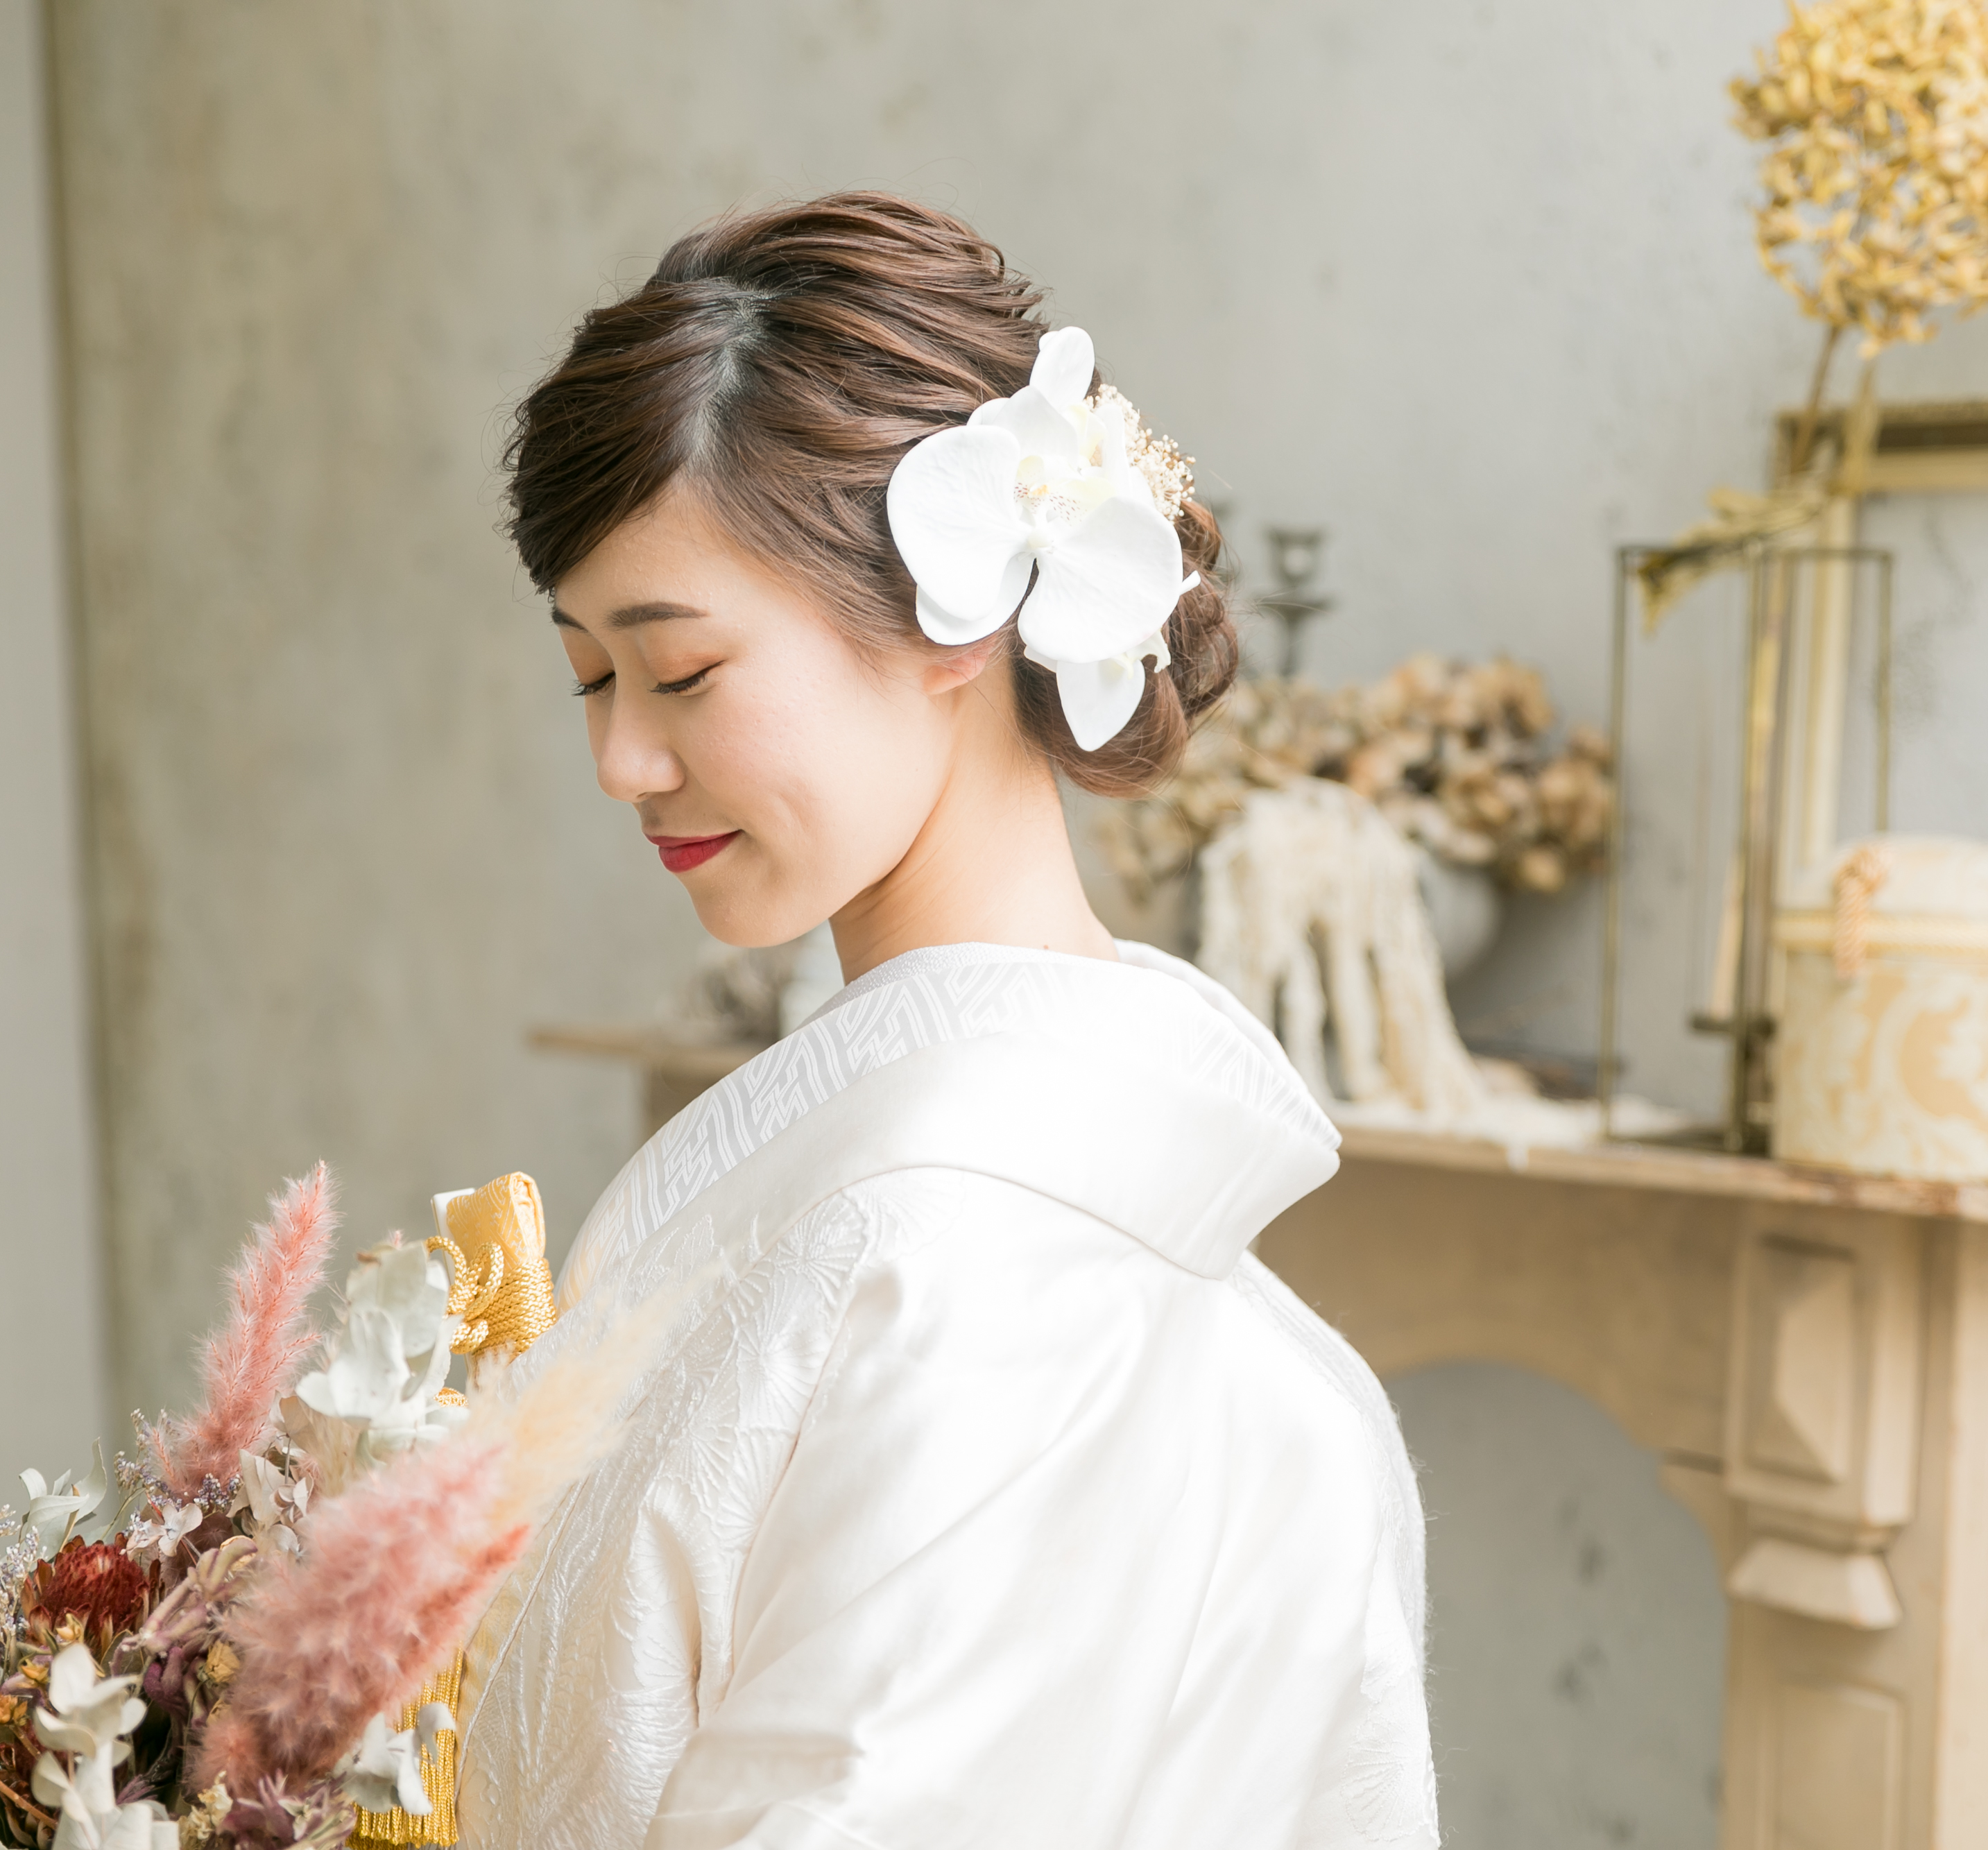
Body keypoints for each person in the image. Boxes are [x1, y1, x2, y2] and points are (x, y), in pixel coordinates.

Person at [456, 192, 1437, 1849]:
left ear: (958, 617)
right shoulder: (970, 1199)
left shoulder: (981, 1265)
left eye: (679, 672)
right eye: (588, 677)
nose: (620, 758)